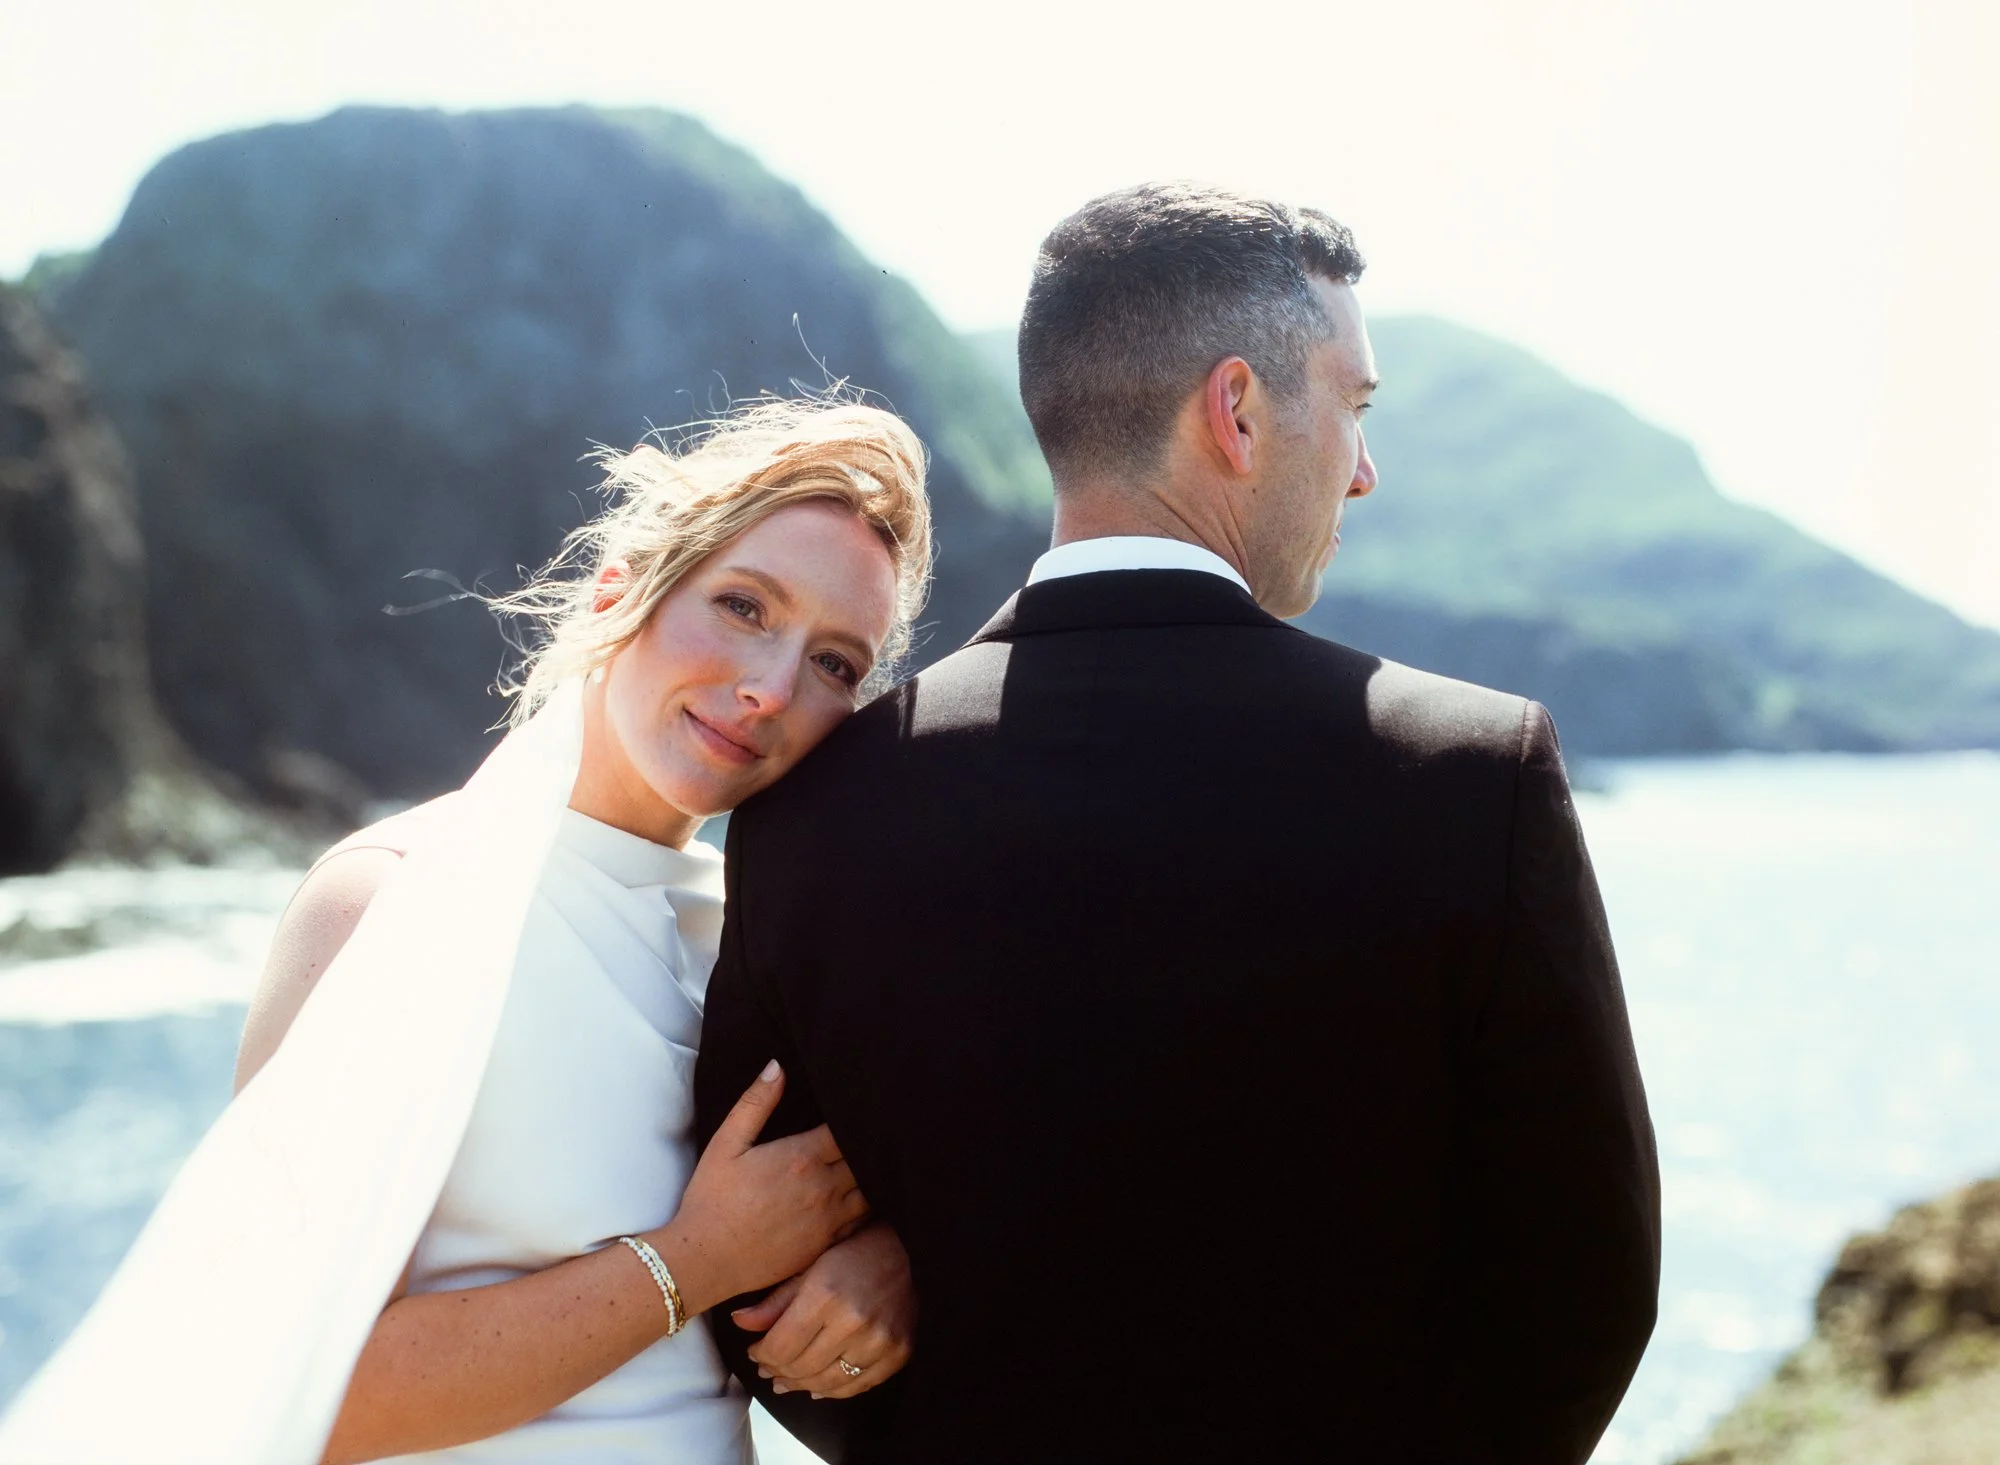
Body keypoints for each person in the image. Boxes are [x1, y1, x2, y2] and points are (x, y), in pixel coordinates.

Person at [694, 184, 1661, 1464]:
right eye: (1353, 406)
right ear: (1238, 411)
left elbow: (761, 1290)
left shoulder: (806, 812)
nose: (1362, 469)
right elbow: (1585, 1280)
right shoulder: (1470, 770)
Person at [0, 398, 934, 1465]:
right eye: (741, 605)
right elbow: (294, 1385)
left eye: (833, 664)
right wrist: (694, 1258)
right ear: (622, 587)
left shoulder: (759, 942)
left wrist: (887, 1262)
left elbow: (838, 1219)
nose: (769, 688)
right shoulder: (387, 900)